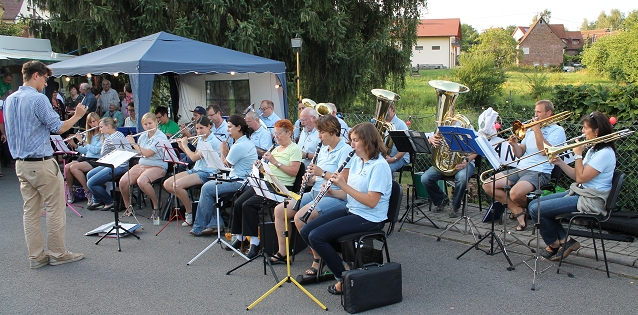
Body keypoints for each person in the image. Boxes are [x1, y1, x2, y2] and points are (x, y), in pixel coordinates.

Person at [3, 60, 87, 268]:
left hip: (21, 163)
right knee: (55, 209)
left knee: (30, 212)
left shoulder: (9, 99)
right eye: (45, 78)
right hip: (41, 162)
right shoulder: (38, 99)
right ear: (36, 75)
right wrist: (77, 116)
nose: (46, 83)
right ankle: (58, 253)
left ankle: (36, 257)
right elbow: (57, 127)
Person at [300, 122, 392, 295]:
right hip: (354, 210)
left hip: (370, 218)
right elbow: (349, 195)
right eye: (351, 140)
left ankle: (343, 277)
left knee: (317, 236)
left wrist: (344, 185)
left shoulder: (379, 166)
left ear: (368, 141)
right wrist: (333, 193)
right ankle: (345, 266)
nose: (352, 145)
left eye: (356, 140)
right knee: (306, 231)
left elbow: (372, 202)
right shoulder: (358, 160)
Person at [528, 112, 616, 261]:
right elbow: (578, 176)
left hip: (590, 200)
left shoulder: (605, 154)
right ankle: (564, 241)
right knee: (533, 204)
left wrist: (578, 155)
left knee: (537, 209)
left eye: (585, 128)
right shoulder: (594, 150)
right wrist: (560, 163)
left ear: (597, 131)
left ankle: (556, 244)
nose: (582, 131)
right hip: (580, 192)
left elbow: (581, 177)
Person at [270, 115, 351, 272]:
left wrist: (321, 173)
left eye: (321, 132)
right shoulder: (324, 149)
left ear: (333, 131)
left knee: (301, 218)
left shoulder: (345, 150)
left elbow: (344, 180)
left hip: (334, 195)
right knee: (280, 210)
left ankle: (319, 259)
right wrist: (310, 179)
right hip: (316, 191)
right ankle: (283, 253)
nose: (319, 136)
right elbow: (317, 177)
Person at [482, 100, 566, 231]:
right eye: (535, 112)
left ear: (549, 113)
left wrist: (537, 129)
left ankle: (526, 210)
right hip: (521, 168)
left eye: (539, 112)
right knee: (488, 184)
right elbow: (520, 153)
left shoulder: (557, 130)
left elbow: (545, 152)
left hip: (540, 171)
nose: (535, 115)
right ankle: (517, 210)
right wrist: (515, 145)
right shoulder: (532, 129)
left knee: (515, 193)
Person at [227, 119, 301, 258]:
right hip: (267, 182)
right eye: (275, 134)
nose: (276, 137)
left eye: (279, 134)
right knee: (238, 202)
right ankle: (241, 237)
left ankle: (255, 243)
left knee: (249, 205)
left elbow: (293, 172)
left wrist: (274, 162)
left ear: (289, 133)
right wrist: (260, 167)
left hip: (281, 187)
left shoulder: (294, 149)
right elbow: (269, 169)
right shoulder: (275, 148)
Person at [190, 115, 258, 236]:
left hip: (241, 181)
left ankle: (201, 226)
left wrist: (222, 150)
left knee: (207, 188)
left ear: (238, 127)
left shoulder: (239, 145)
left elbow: (225, 165)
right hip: (240, 178)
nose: (227, 130)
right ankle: (214, 223)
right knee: (209, 187)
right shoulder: (244, 141)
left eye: (230, 127)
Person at [163, 116, 221, 226]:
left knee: (176, 186)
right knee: (167, 184)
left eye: (201, 128)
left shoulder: (212, 141)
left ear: (209, 126)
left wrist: (184, 146)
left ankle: (189, 213)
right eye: (197, 128)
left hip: (207, 172)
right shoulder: (201, 138)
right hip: (197, 169)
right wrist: (182, 146)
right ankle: (191, 205)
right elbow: (194, 155)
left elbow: (193, 158)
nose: (199, 131)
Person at [119, 113, 168, 215]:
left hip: (157, 166)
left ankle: (157, 203)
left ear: (156, 123)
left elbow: (147, 153)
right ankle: (128, 206)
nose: (148, 126)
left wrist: (133, 143)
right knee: (123, 182)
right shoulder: (142, 136)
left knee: (142, 181)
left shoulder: (161, 137)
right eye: (145, 124)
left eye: (150, 123)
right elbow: (139, 152)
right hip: (142, 164)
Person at [421, 134, 478, 218]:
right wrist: (430, 140)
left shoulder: (467, 128)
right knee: (425, 178)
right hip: (443, 163)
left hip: (463, 163)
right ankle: (441, 199)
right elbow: (427, 139)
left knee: (462, 178)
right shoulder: (440, 128)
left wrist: (467, 160)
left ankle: (455, 206)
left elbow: (476, 149)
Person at [86, 117, 127, 210]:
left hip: (118, 165)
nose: (100, 129)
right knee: (90, 174)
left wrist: (104, 143)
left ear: (108, 126)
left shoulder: (109, 139)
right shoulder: (119, 134)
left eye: (101, 127)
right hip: (111, 163)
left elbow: (102, 154)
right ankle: (97, 200)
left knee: (91, 183)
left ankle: (109, 201)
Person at [64, 112, 102, 205]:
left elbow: (96, 150)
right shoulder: (89, 134)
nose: (93, 124)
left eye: (94, 121)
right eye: (90, 123)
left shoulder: (102, 135)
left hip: (96, 159)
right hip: (87, 158)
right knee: (67, 167)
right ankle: (71, 191)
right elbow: (85, 151)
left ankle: (87, 192)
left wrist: (83, 141)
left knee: (74, 167)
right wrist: (74, 144)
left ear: (98, 121)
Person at [383, 102, 409, 173]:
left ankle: (389, 183)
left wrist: (393, 159)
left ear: (392, 109)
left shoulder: (401, 125)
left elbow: (405, 147)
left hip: (399, 158)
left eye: (386, 109)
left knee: (384, 170)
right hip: (384, 157)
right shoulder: (381, 123)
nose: (384, 112)